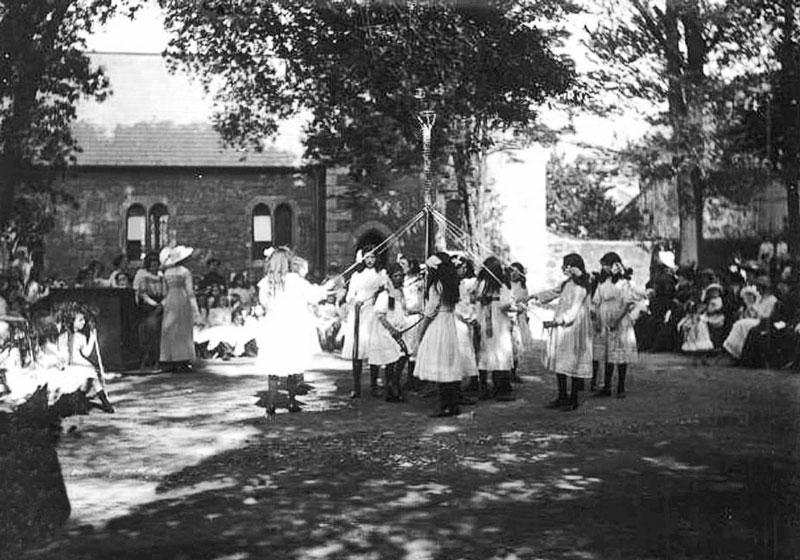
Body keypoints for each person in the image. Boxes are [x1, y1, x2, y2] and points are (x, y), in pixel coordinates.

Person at [256, 247, 325, 417]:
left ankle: (271, 405)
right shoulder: (295, 280)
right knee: (292, 366)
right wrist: (327, 287)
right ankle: (292, 402)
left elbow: (264, 303)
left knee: (274, 368)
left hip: (273, 327)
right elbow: (314, 296)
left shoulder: (267, 282)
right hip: (292, 326)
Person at [531, 253, 593, 411]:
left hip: (575, 328)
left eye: (565, 265)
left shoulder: (581, 287)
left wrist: (556, 322)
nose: (563, 268)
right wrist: (533, 296)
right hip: (563, 328)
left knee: (573, 361)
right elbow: (553, 292)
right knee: (561, 361)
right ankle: (562, 396)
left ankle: (573, 399)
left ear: (572, 267)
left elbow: (573, 312)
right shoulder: (567, 283)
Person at [415, 252, 475, 417]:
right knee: (448, 363)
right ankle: (452, 404)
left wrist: (421, 332)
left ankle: (446, 406)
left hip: (438, 325)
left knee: (440, 363)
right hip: (449, 323)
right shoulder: (452, 283)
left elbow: (430, 311)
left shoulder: (436, 286)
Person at [591, 253, 640, 398]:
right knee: (608, 355)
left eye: (607, 264)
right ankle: (606, 386)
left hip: (620, 321)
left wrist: (616, 320)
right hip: (605, 319)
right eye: (603, 265)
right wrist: (598, 321)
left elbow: (626, 303)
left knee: (620, 355)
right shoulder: (603, 282)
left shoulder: (623, 283)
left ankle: (621, 387)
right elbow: (596, 302)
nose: (605, 268)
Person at [341, 246, 386, 398]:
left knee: (373, 348)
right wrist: (354, 302)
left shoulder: (381, 273)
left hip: (372, 312)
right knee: (357, 349)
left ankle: (374, 385)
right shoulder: (356, 275)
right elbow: (349, 295)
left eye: (372, 257)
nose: (369, 261)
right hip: (358, 312)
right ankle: (356, 386)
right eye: (367, 258)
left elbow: (384, 290)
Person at [368, 263, 412, 402]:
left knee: (404, 356)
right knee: (392, 360)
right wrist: (392, 330)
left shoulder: (400, 293)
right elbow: (380, 315)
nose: (398, 278)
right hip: (386, 332)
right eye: (395, 276)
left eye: (400, 275)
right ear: (390, 277)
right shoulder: (384, 295)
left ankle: (394, 384)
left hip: (398, 331)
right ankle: (391, 390)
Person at [474, 256, 517, 401]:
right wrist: (514, 305)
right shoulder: (502, 284)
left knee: (484, 350)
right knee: (499, 351)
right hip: (498, 320)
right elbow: (505, 305)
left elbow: (475, 298)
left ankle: (483, 386)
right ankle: (499, 387)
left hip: (483, 319)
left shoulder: (480, 283)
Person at [159, 245, 200, 373]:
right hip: (182, 300)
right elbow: (190, 291)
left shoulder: (167, 273)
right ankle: (182, 359)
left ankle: (168, 359)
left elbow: (164, 291)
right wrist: (195, 309)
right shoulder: (185, 272)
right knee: (182, 329)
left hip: (170, 300)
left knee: (170, 329)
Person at [133, 251, 164, 372]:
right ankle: (146, 361)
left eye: (156, 264)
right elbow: (143, 294)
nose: (154, 267)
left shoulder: (161, 277)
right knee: (149, 333)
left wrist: (162, 304)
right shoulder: (144, 276)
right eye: (152, 264)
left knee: (159, 334)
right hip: (148, 307)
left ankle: (158, 360)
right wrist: (155, 305)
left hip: (160, 304)